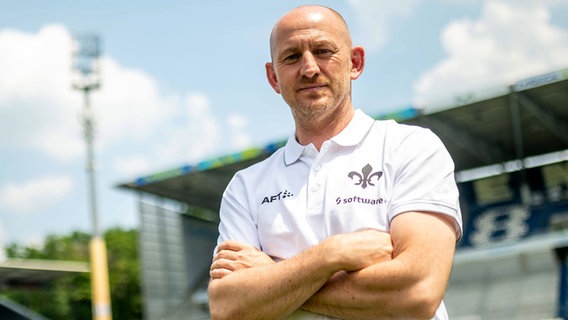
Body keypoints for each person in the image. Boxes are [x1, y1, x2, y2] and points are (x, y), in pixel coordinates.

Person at [208, 5, 462, 320]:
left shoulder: (410, 147)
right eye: (291, 57)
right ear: (273, 77)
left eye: (323, 51)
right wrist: (333, 255)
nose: (309, 68)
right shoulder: (246, 186)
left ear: (355, 62)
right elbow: (227, 307)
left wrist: (274, 277)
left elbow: (417, 291)